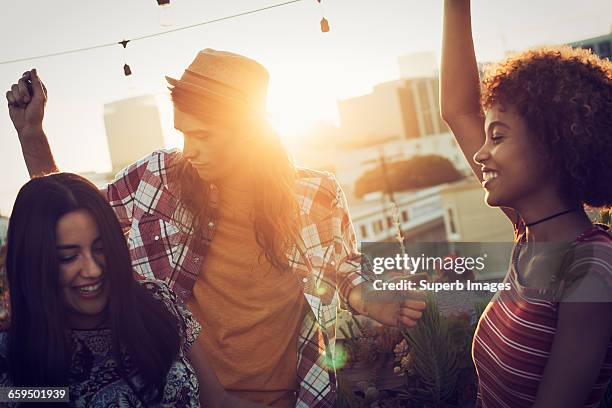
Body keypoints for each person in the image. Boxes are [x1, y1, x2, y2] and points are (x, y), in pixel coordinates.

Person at [6, 49, 426, 407]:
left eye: (204, 135)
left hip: (291, 395)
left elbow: (339, 266)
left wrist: (367, 297)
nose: (190, 151)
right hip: (184, 395)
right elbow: (71, 217)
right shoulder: (157, 179)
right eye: (184, 133)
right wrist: (31, 135)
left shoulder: (314, 196)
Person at [440, 1, 612, 407]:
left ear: (552, 143)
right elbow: (457, 109)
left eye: (497, 137)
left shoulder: (590, 269)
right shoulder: (530, 231)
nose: (480, 154)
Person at [0, 173, 264, 407]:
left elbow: (218, 401)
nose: (93, 269)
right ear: (33, 264)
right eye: (68, 257)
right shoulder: (13, 360)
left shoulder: (158, 303)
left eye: (101, 248)